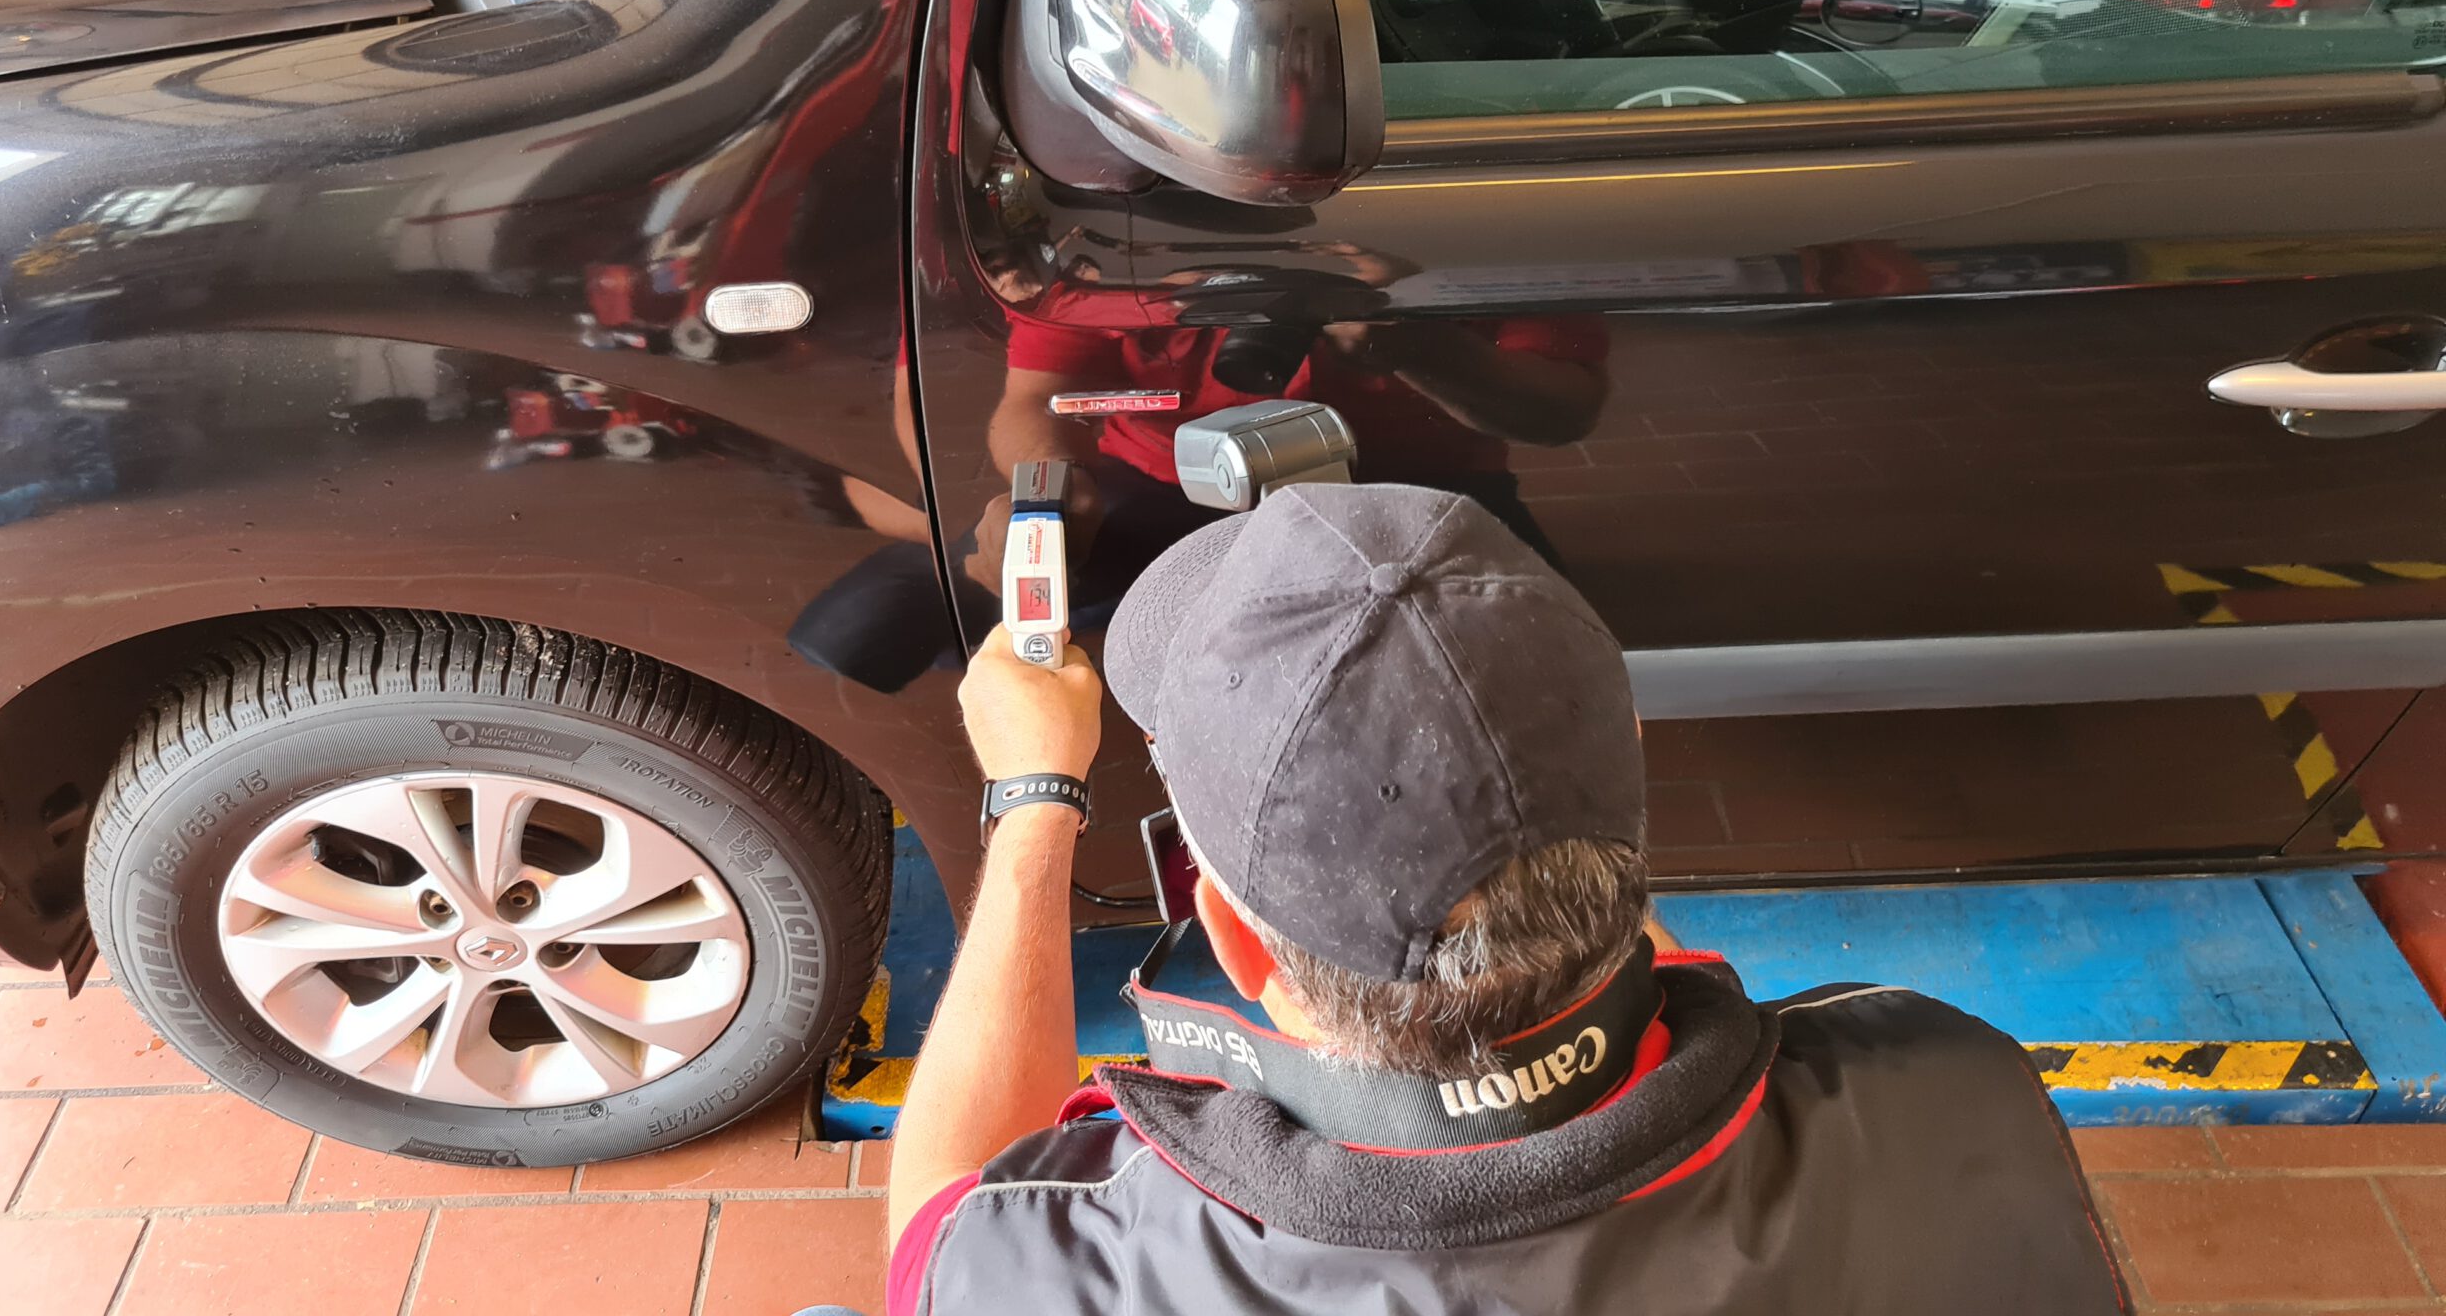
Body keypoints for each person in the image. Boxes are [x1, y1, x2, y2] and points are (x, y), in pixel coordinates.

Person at [877, 483, 2128, 1314]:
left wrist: (1034, 800)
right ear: (1627, 764)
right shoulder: (1951, 1087)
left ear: (1240, 953)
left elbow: (944, 1228)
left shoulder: (1056, 1265)